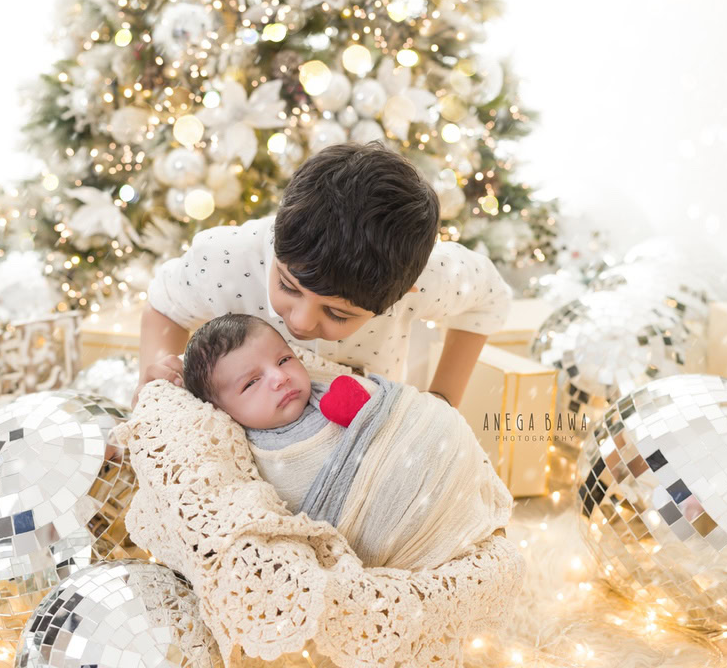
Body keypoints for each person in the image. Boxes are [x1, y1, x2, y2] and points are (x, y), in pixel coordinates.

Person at [134, 141, 512, 407]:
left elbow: (490, 297)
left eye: (337, 313)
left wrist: (442, 400)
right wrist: (156, 385)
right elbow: (166, 303)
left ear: (403, 294)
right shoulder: (227, 258)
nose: (299, 320)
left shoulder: (433, 277)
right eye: (287, 285)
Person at [179, 312, 508, 569]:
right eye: (252, 382)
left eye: (283, 360)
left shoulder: (328, 386)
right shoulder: (256, 455)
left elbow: (395, 411)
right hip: (376, 527)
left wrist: (386, 417)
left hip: (434, 469)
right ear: (220, 409)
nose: (280, 378)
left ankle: (457, 505)